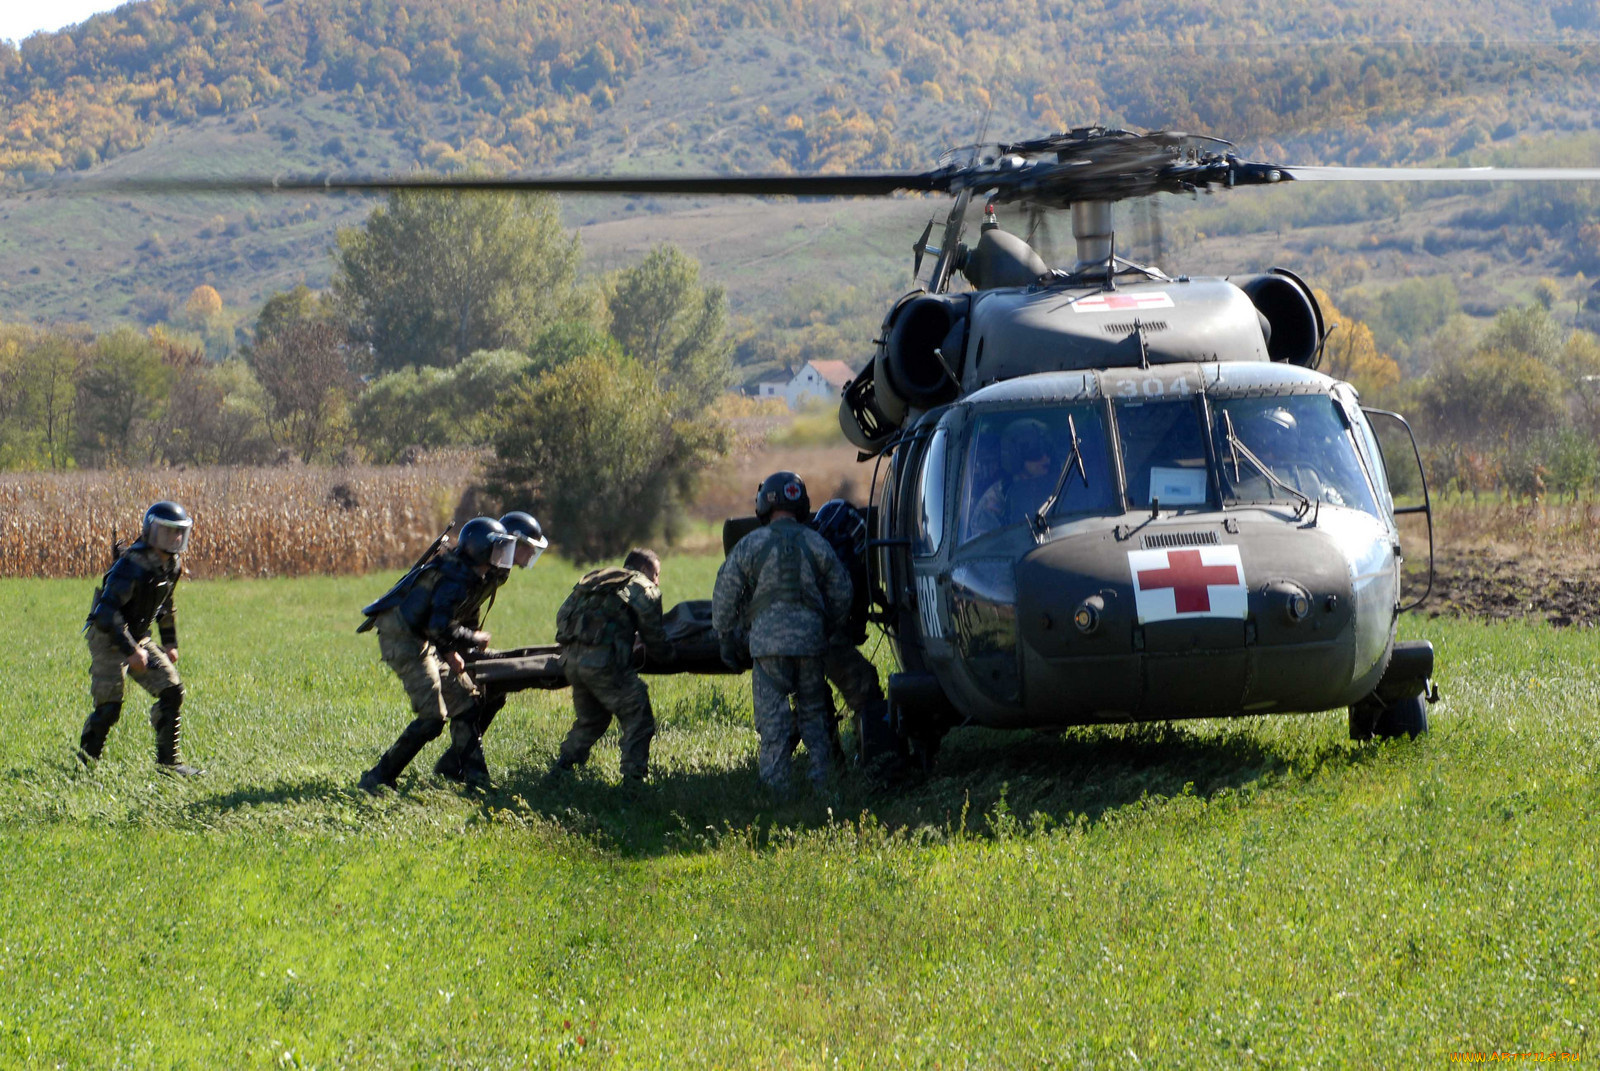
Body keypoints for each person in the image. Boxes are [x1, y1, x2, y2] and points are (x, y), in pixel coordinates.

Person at [713, 472, 853, 797]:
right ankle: (824, 788)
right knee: (814, 716)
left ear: (764, 505)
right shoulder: (817, 543)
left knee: (773, 722)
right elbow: (842, 591)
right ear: (802, 504)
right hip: (810, 643)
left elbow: (726, 591)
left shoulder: (751, 544)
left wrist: (725, 635)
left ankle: (778, 794)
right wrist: (826, 627)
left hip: (768, 645)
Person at [358, 516, 518, 794]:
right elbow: (437, 625)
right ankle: (378, 778)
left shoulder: (466, 573)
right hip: (403, 639)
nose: (503, 556)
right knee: (433, 719)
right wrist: (472, 639)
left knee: (466, 705)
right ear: (482, 550)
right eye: (498, 548)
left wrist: (451, 650)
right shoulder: (456, 579)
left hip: (423, 636)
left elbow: (437, 623)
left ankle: (476, 782)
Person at [79, 500, 201, 776]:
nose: (175, 537)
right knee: (109, 707)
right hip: (108, 637)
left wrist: (170, 643)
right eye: (168, 531)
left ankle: (169, 765)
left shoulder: (172, 565)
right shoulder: (130, 566)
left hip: (138, 637)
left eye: (179, 531)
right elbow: (105, 614)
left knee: (172, 692)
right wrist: (131, 651)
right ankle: (84, 768)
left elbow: (165, 605)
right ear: (151, 531)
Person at [431, 510, 551, 785]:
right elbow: (442, 615)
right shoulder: (476, 567)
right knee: (467, 703)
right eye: (529, 548)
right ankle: (476, 779)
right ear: (512, 543)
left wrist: (471, 640)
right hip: (434, 639)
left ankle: (452, 764)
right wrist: (455, 648)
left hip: (454, 637)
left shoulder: (498, 571)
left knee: (495, 693)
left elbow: (469, 609)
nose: (531, 555)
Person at [552, 548, 674, 783]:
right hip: (604, 665)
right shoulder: (642, 586)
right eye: (656, 574)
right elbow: (654, 637)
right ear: (645, 569)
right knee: (639, 717)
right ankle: (633, 784)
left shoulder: (597, 580)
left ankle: (559, 773)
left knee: (592, 720)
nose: (657, 581)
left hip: (572, 663)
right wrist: (671, 656)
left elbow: (562, 617)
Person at [810, 498, 885, 753]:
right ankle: (878, 761)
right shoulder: (839, 563)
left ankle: (825, 764)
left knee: (811, 701)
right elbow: (848, 601)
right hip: (820, 640)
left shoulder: (805, 555)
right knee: (865, 686)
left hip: (780, 647)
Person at [969, 417, 1056, 535]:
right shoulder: (998, 498)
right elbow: (985, 541)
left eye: (1048, 450)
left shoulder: (1061, 485)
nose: (1046, 458)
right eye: (1035, 452)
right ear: (1015, 455)